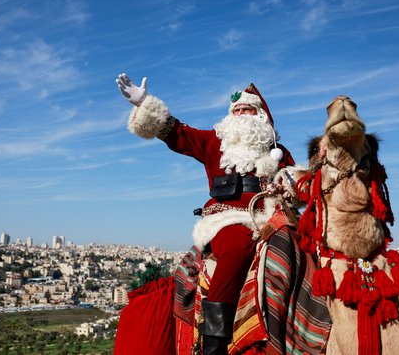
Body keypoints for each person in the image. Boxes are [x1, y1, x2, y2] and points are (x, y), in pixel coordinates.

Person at [116, 73, 295, 354]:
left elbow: (295, 182)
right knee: (237, 246)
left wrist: (288, 188)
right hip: (229, 219)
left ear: (260, 116)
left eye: (246, 109)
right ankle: (215, 342)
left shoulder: (278, 151)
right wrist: (144, 103)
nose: (240, 114)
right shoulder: (214, 142)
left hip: (272, 217)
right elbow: (178, 134)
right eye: (235, 110)